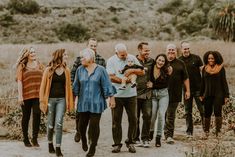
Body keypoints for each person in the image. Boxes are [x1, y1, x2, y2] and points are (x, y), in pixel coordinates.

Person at [73, 48, 116, 157]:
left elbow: (107, 84)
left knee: (94, 126)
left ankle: (92, 147)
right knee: (81, 126)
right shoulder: (80, 70)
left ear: (90, 58)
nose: (81, 59)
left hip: (97, 103)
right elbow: (76, 86)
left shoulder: (101, 70)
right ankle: (83, 139)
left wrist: (112, 98)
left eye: (83, 57)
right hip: (83, 103)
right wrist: (73, 100)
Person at [106, 43, 145, 153]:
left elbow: (142, 71)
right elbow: (110, 77)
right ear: (116, 53)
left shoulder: (132, 58)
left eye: (126, 53)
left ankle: (131, 142)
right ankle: (117, 144)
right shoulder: (111, 61)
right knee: (116, 121)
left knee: (133, 119)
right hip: (117, 95)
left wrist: (132, 71)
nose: (125, 56)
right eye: (122, 55)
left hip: (131, 95)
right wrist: (126, 80)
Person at [71, 38, 106, 143]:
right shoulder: (79, 59)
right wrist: (73, 90)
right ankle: (79, 131)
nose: (94, 47)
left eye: (95, 46)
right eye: (92, 46)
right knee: (80, 116)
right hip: (82, 93)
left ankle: (92, 139)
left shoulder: (101, 60)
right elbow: (73, 74)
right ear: (87, 46)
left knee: (94, 120)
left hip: (96, 94)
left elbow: (104, 78)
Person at [40, 49, 74, 157]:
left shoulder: (67, 70)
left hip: (61, 100)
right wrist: (42, 101)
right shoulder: (48, 70)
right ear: (59, 56)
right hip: (50, 100)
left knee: (59, 124)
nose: (67, 56)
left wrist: (70, 102)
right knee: (50, 124)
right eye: (65, 54)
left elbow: (68, 87)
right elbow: (43, 87)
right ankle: (50, 143)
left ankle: (58, 148)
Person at [16, 47, 44, 147]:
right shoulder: (22, 66)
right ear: (26, 54)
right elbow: (19, 81)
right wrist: (20, 96)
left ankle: (35, 138)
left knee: (37, 115)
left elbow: (45, 78)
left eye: (34, 52)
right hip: (26, 95)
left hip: (38, 95)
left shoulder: (39, 64)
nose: (33, 53)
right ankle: (25, 138)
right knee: (26, 117)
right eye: (31, 52)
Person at [164, 43, 190, 144]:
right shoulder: (162, 61)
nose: (171, 52)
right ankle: (164, 133)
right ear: (166, 51)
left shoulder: (181, 63)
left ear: (176, 52)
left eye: (173, 50)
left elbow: (186, 78)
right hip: (162, 93)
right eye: (169, 50)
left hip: (175, 93)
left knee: (170, 115)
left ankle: (169, 135)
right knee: (163, 114)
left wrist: (187, 90)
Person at [200, 51, 229, 139]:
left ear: (216, 59)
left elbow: (224, 82)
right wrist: (201, 94)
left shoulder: (221, 68)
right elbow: (203, 82)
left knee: (217, 112)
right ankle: (206, 132)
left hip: (218, 94)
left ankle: (218, 132)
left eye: (212, 58)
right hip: (207, 94)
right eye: (209, 58)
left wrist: (226, 95)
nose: (210, 60)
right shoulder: (204, 68)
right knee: (207, 113)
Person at [178, 41, 204, 138]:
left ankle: (206, 130)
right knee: (188, 111)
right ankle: (189, 132)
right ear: (181, 49)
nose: (187, 50)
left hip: (198, 89)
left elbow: (203, 71)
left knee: (202, 110)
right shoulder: (179, 61)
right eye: (185, 49)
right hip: (186, 91)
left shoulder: (196, 58)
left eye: (188, 48)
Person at [133, 42, 154, 148]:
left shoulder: (151, 61)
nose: (148, 52)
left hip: (147, 93)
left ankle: (145, 139)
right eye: (146, 50)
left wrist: (153, 83)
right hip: (134, 93)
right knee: (135, 117)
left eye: (149, 50)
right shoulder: (133, 61)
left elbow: (158, 72)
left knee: (147, 115)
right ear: (139, 50)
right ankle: (135, 139)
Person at [150, 54, 172, 147]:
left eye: (163, 61)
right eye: (159, 60)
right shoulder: (151, 68)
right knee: (153, 115)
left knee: (161, 115)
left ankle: (158, 137)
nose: (160, 62)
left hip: (163, 95)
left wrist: (152, 85)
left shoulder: (167, 70)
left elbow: (165, 84)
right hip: (153, 95)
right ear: (156, 60)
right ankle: (151, 131)